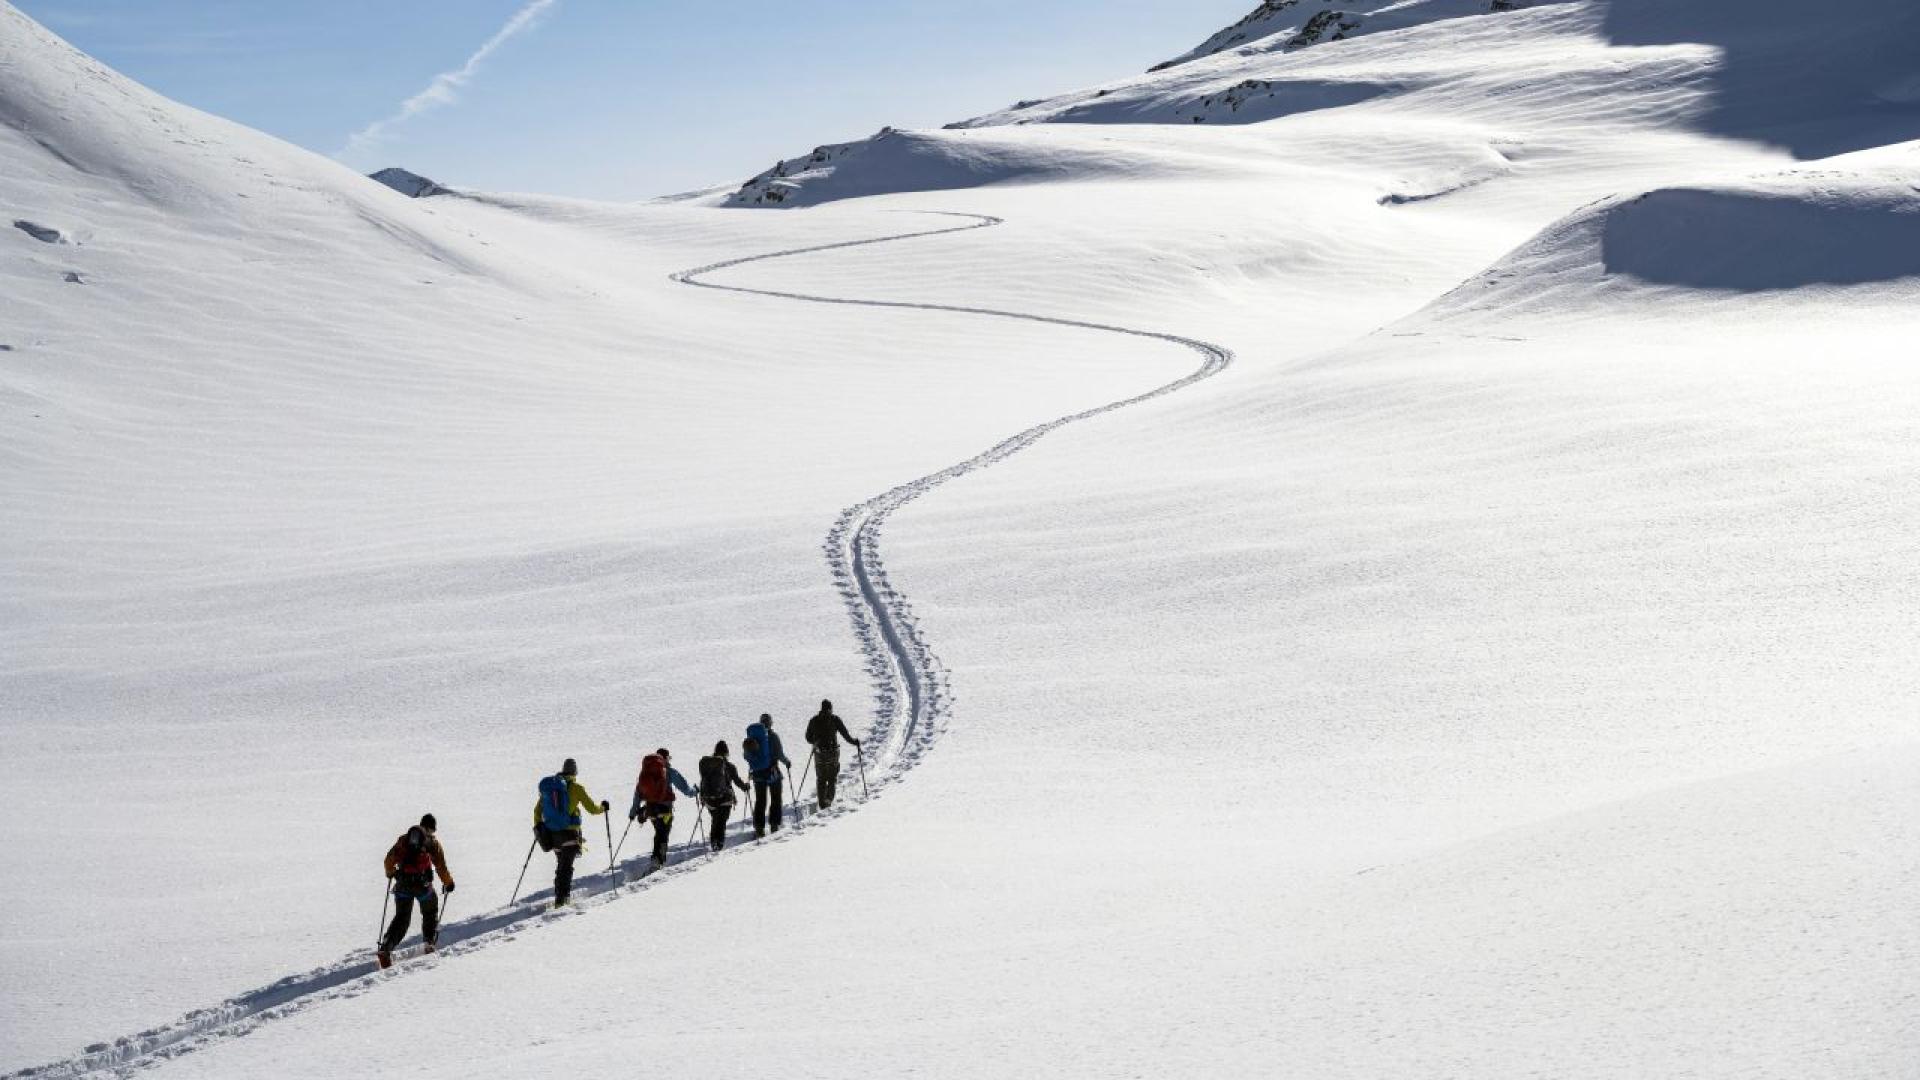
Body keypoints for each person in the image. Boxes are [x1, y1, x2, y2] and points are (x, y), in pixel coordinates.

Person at [378, 813, 454, 969]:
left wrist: (391, 873)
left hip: (403, 886)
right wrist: (448, 883)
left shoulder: (403, 840)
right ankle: (429, 943)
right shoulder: (432, 843)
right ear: (431, 829)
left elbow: (388, 861)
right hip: (423, 886)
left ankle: (386, 948)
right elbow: (441, 866)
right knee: (430, 911)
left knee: (401, 919)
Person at [534, 758, 608, 908]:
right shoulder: (576, 788)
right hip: (570, 835)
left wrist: (540, 828)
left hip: (553, 835)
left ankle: (559, 897)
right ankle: (562, 900)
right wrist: (603, 807)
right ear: (575, 772)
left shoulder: (551, 789)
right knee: (566, 867)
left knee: (561, 866)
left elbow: (537, 811)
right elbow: (593, 809)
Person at [629, 747, 696, 870]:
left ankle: (657, 860)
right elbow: (686, 789)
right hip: (665, 810)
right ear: (666, 758)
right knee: (663, 834)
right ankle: (657, 861)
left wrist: (633, 812)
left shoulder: (646, 773)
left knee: (659, 832)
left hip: (650, 810)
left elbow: (638, 793)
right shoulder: (670, 772)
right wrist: (695, 791)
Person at [804, 699, 862, 809]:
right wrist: (854, 742)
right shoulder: (835, 719)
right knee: (832, 777)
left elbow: (807, 737)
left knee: (821, 778)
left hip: (819, 753)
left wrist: (814, 741)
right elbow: (845, 735)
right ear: (830, 708)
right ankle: (828, 800)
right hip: (833, 753)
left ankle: (821, 803)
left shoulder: (814, 720)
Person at [696, 741, 749, 852]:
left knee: (715, 819)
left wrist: (702, 796)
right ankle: (719, 843)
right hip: (725, 798)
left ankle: (714, 842)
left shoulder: (707, 764)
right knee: (722, 821)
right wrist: (745, 787)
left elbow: (704, 780)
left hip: (709, 799)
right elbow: (736, 780)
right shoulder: (729, 766)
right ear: (726, 752)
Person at [744, 713, 791, 837]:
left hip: (758, 774)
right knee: (775, 798)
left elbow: (746, 756)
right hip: (772, 772)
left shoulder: (754, 737)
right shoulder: (773, 736)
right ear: (770, 723)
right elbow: (779, 753)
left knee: (760, 800)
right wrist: (787, 762)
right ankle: (774, 824)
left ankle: (759, 828)